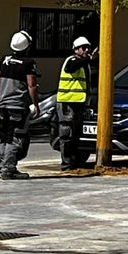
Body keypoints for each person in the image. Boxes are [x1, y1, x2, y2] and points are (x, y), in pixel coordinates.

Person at [0, 31, 40, 180]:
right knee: (15, 136)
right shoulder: (28, 63)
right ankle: (8, 169)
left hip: (3, 104)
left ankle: (3, 165)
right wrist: (35, 104)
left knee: (4, 135)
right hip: (18, 106)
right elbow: (31, 85)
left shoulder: (4, 60)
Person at [54, 35, 97, 170]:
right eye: (83, 48)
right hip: (67, 102)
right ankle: (66, 163)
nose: (86, 50)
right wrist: (88, 59)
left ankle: (73, 161)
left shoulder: (85, 64)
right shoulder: (72, 60)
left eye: (88, 48)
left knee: (75, 134)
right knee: (66, 134)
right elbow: (71, 67)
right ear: (76, 49)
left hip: (78, 103)